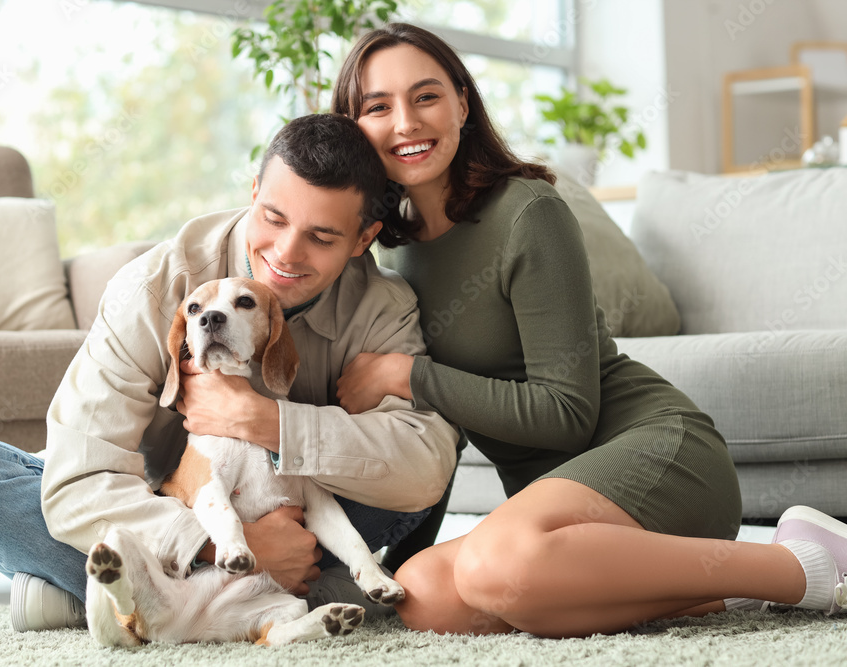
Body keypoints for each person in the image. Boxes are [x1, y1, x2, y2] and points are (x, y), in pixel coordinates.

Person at [331, 22, 847, 638]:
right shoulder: (392, 255)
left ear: (462, 104)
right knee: (422, 597)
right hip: (556, 520)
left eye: (426, 96)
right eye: (378, 107)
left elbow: (567, 413)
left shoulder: (528, 212)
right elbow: (439, 432)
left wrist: (406, 375)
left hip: (655, 455)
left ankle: (801, 565)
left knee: (496, 566)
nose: (407, 123)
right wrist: (391, 555)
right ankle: (710, 592)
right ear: (354, 126)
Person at [0, 113, 459, 632]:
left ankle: (116, 596)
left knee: (416, 470)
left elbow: (426, 465)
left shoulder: (384, 306)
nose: (285, 253)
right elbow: (78, 482)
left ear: (364, 239)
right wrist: (215, 539)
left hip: (306, 516)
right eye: (272, 218)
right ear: (253, 194)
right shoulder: (151, 288)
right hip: (164, 502)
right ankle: (291, 592)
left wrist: (266, 421)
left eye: (321, 237)